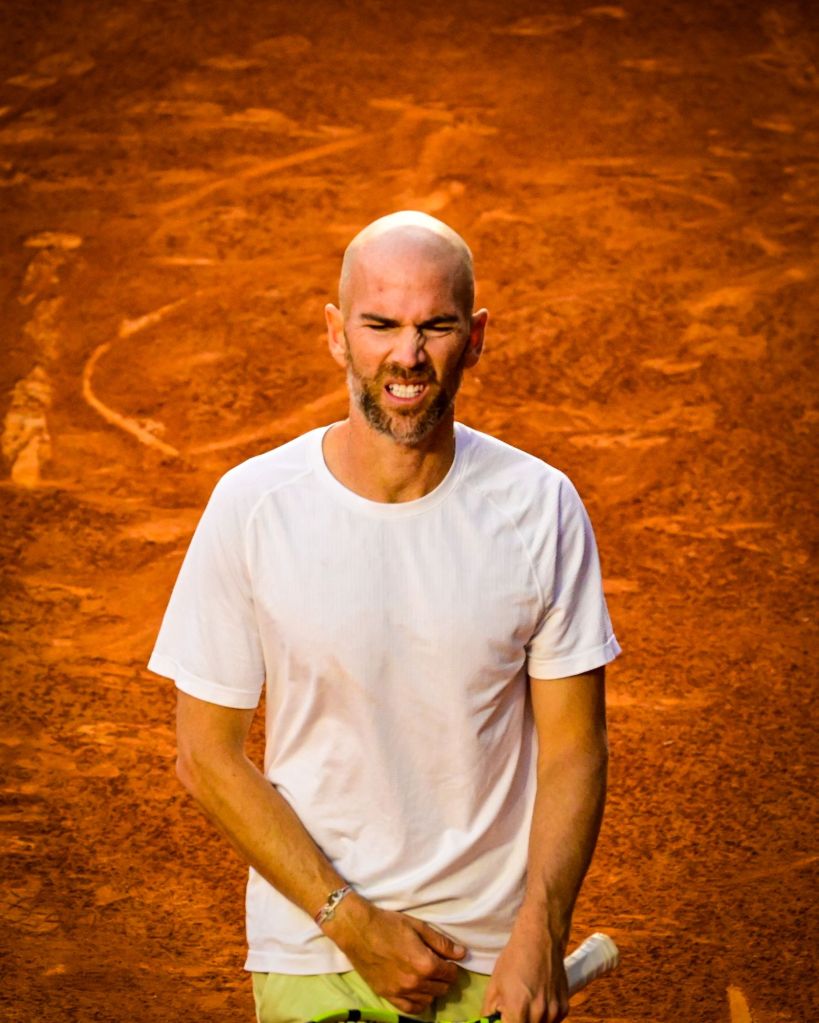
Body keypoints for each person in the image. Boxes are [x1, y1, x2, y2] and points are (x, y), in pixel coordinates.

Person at [148, 211, 620, 1023]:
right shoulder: (254, 505)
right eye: (380, 325)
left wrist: (540, 933)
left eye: (434, 326)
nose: (407, 355)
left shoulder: (539, 507)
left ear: (474, 338)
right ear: (337, 334)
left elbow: (575, 748)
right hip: (314, 951)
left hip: (488, 958)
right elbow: (205, 755)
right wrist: (350, 922)